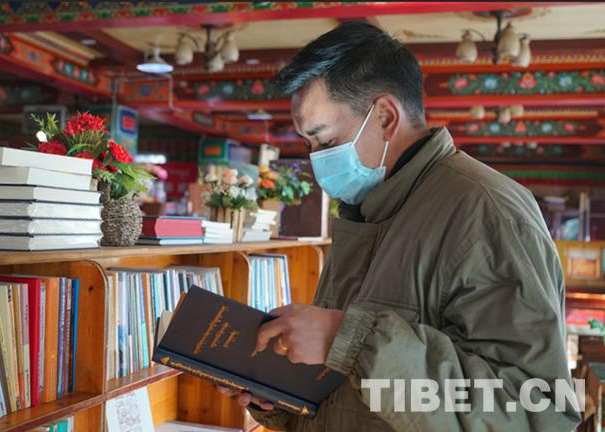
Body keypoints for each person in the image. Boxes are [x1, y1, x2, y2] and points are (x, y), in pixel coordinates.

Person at [216, 21, 582, 431]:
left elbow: (537, 409)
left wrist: (350, 341)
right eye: (308, 144)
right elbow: (352, 398)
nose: (316, 159)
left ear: (386, 117)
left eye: (326, 141)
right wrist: (282, 394)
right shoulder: (367, 210)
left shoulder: (487, 210)